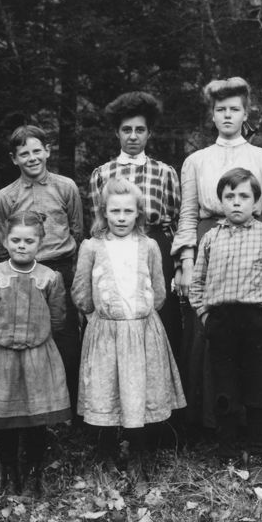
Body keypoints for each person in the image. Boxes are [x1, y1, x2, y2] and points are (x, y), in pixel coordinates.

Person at [172, 77, 262, 433]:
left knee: (254, 336)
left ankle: (256, 425)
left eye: (234, 109)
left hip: (255, 247)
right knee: (208, 335)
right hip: (210, 245)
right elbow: (188, 216)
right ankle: (211, 425)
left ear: (245, 113)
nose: (227, 115)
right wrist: (186, 263)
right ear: (212, 114)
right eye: (220, 109)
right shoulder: (196, 160)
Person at [72, 178, 186, 482]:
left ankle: (138, 455)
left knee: (140, 392)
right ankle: (105, 456)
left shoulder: (148, 246)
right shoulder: (91, 247)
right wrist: (102, 316)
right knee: (106, 392)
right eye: (115, 211)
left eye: (128, 211)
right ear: (104, 213)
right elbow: (81, 294)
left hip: (142, 331)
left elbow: (159, 292)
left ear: (138, 214)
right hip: (106, 332)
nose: (121, 218)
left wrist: (139, 315)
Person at [188, 168, 262, 462]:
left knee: (257, 383)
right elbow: (197, 283)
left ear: (256, 203)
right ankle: (227, 448)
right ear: (221, 201)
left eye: (244, 196)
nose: (236, 202)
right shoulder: (210, 238)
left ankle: (258, 447)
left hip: (255, 320)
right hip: (220, 320)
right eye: (229, 196)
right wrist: (205, 316)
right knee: (224, 385)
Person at [0, 212, 71, 496]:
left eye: (29, 241)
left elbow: (58, 318)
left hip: (37, 356)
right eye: (15, 240)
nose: (21, 246)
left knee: (34, 418)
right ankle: (9, 472)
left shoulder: (50, 278)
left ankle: (33, 473)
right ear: (5, 240)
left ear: (40, 243)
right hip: (1, 356)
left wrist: (41, 339)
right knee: (6, 418)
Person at [0, 126, 83, 416]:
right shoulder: (6, 196)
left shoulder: (65, 186)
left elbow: (77, 230)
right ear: (14, 158)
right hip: (23, 273)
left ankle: (67, 412)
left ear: (47, 151)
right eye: (23, 154)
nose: (31, 158)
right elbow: (0, 239)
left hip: (59, 271)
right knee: (28, 341)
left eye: (36, 151)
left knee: (65, 340)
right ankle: (31, 412)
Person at [89, 91, 182, 361]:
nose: (133, 136)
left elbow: (174, 222)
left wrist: (176, 266)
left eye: (139, 130)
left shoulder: (164, 172)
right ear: (117, 133)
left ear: (149, 133)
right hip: (114, 251)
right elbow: (96, 224)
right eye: (126, 130)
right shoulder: (102, 174)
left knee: (161, 318)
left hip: (155, 249)